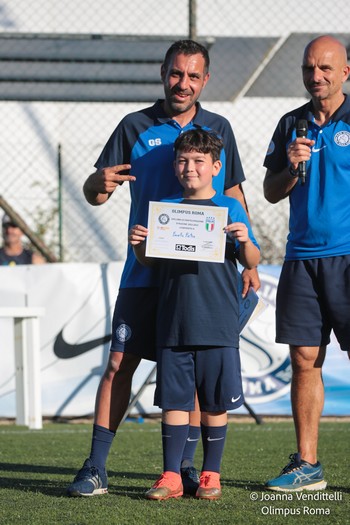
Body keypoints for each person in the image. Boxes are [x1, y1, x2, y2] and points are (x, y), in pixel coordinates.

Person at [67, 39, 260, 498]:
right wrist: (96, 183)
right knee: (119, 362)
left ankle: (184, 469)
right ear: (163, 73)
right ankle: (95, 467)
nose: (184, 83)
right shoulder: (135, 126)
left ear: (205, 80)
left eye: (194, 76)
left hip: (199, 277)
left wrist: (247, 255)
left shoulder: (219, 127)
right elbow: (98, 192)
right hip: (146, 267)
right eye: (177, 74)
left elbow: (233, 193)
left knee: (191, 370)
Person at [129, 129, 260, 500]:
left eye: (199, 161)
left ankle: (210, 475)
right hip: (174, 322)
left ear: (216, 167)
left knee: (215, 403)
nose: (191, 167)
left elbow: (253, 260)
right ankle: (171, 476)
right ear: (175, 165)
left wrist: (244, 240)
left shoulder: (230, 208)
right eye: (184, 160)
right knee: (174, 401)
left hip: (218, 322)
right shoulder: (165, 209)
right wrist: (139, 246)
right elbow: (150, 261)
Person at [263, 34, 350, 492]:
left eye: (324, 69)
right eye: (307, 69)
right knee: (304, 360)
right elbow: (270, 192)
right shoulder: (290, 123)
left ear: (344, 73)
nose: (315, 76)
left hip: (347, 256)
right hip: (301, 258)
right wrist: (289, 168)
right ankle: (308, 464)